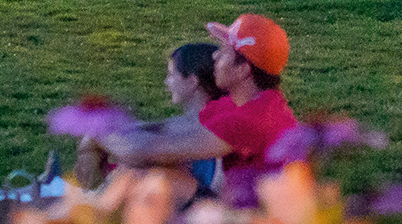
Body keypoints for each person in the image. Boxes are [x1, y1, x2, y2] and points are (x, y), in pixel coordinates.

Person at [98, 13, 297, 208]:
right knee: (149, 170)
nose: (215, 55)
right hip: (240, 204)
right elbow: (171, 129)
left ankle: (90, 222)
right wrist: (118, 127)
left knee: (143, 174)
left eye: (224, 52)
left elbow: (146, 151)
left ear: (243, 70)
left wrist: (95, 128)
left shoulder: (250, 119)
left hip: (255, 221)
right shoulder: (243, 104)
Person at [76, 41, 223, 197]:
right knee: (132, 167)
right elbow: (138, 133)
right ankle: (90, 199)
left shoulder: (213, 123)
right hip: (188, 194)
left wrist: (98, 135)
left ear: (193, 81)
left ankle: (89, 200)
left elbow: (137, 150)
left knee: (138, 171)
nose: (167, 82)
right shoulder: (189, 120)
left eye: (171, 75)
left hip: (207, 204)